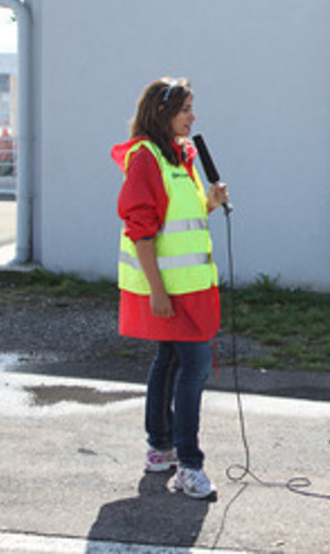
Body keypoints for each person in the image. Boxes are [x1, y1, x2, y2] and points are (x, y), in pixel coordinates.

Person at [111, 77, 229, 501]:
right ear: (162, 113)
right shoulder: (146, 158)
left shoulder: (180, 155)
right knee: (193, 367)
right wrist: (157, 292)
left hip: (191, 286)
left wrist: (209, 203)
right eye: (185, 110)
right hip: (170, 290)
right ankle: (189, 465)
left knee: (169, 360)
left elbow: (181, 219)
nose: (193, 117)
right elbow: (141, 230)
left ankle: (160, 448)